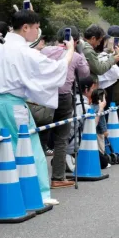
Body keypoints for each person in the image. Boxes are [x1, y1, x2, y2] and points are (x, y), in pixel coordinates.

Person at [0, 10, 74, 206]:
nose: (38, 32)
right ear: (26, 27)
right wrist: (70, 51)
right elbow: (54, 70)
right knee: (27, 148)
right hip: (12, 105)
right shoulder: (23, 51)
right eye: (36, 28)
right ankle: (35, 193)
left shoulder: (2, 45)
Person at [40, 27, 89, 189]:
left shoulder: (45, 50)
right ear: (75, 41)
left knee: (41, 137)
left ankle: (35, 176)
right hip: (63, 97)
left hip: (43, 96)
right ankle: (57, 177)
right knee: (61, 138)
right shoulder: (75, 55)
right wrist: (78, 50)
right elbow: (84, 74)